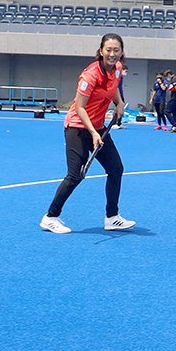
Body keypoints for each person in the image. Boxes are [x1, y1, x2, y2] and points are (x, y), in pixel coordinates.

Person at [39, 33, 135, 234]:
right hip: (78, 128)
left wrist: (119, 103)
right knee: (75, 175)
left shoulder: (117, 69)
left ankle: (112, 217)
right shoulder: (90, 75)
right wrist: (93, 132)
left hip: (98, 127)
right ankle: (50, 217)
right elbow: (80, 107)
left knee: (116, 168)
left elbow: (113, 86)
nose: (112, 54)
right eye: (108, 50)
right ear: (101, 51)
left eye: (116, 50)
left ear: (121, 52)